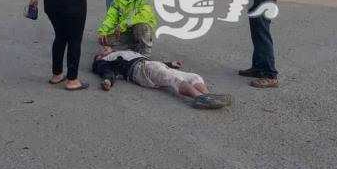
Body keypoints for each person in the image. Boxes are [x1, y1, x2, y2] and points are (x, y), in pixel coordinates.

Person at [92, 47, 232, 110]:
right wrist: (108, 81)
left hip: (150, 65)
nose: (104, 50)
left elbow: (154, 64)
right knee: (173, 79)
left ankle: (208, 96)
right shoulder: (104, 61)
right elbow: (107, 72)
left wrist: (170, 64)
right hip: (140, 70)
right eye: (101, 52)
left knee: (194, 76)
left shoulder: (119, 52)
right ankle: (199, 98)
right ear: (99, 58)